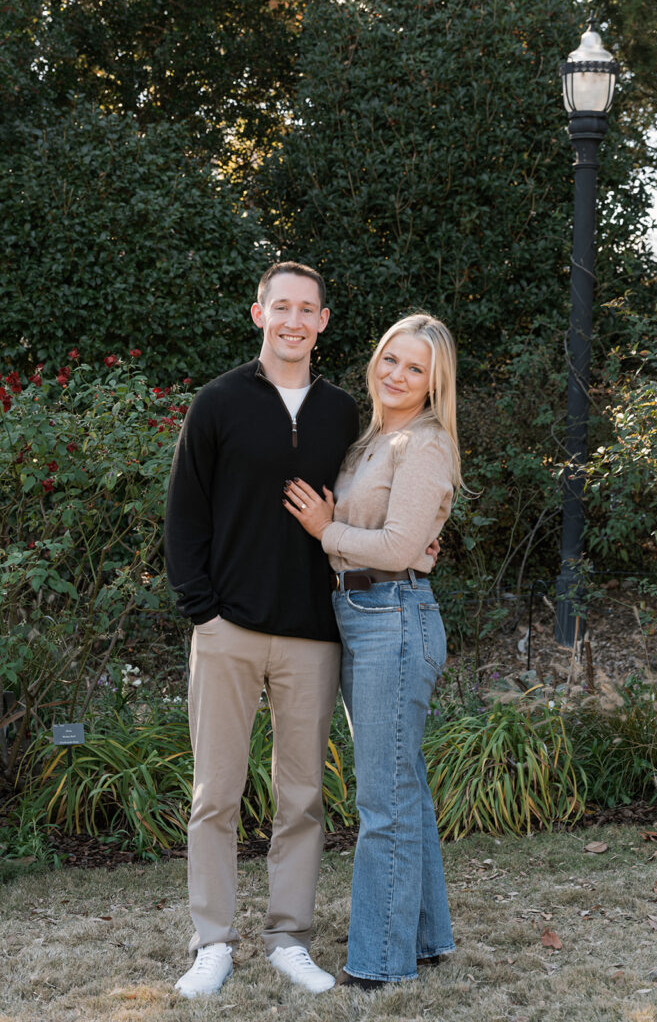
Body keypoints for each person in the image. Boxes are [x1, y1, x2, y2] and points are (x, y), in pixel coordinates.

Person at [164, 262, 359, 997]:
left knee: (302, 796)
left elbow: (367, 497)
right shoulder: (217, 403)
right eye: (282, 307)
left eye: (307, 309)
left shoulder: (343, 412)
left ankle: (288, 938)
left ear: (323, 321)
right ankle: (212, 942)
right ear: (258, 314)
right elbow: (184, 514)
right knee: (215, 792)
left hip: (312, 631)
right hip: (227, 631)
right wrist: (201, 609)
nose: (294, 320)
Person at [283, 312, 461, 987]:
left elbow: (392, 548)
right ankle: (425, 938)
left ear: (432, 383)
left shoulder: (424, 444)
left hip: (393, 618)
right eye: (391, 359)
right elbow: (394, 539)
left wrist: (327, 530)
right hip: (362, 613)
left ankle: (381, 963)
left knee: (383, 800)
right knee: (402, 788)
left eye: (415, 369)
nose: (397, 375)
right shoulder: (369, 441)